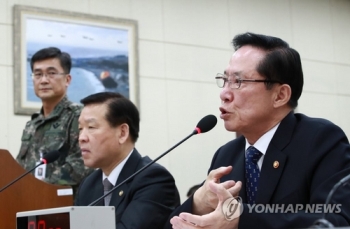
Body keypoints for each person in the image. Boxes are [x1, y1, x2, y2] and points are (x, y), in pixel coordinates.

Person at [166, 32, 350, 229]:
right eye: (225, 79)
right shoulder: (226, 155)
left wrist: (241, 219)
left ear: (280, 95)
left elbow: (337, 222)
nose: (224, 93)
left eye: (238, 81)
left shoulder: (320, 140)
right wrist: (198, 202)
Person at [74, 92, 181, 229]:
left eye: (91, 127)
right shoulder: (88, 185)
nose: (81, 137)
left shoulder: (153, 179)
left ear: (122, 133)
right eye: (80, 129)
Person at [16, 47, 94, 195]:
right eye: (38, 74)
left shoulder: (79, 116)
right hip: (29, 205)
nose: (44, 80)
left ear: (67, 79)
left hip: (66, 206)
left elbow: (82, 164)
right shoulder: (32, 124)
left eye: (51, 73)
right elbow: (20, 167)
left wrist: (37, 188)